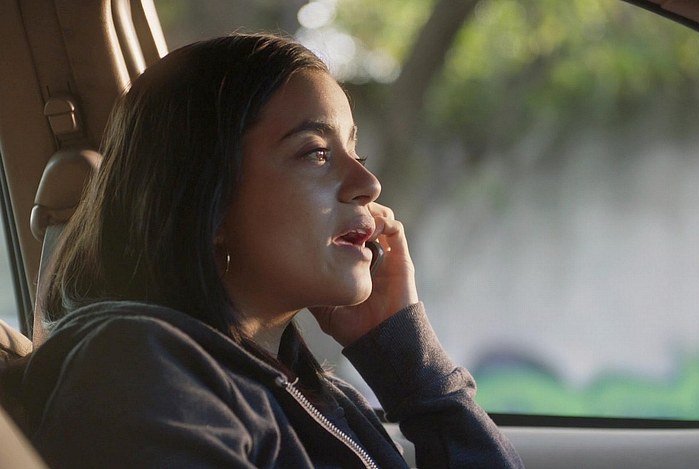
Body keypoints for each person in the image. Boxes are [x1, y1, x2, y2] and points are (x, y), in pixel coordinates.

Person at [18, 34, 524, 468]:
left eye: (356, 151)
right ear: (206, 200)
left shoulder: (321, 396)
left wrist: (406, 356)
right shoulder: (138, 369)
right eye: (316, 153)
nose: (368, 183)